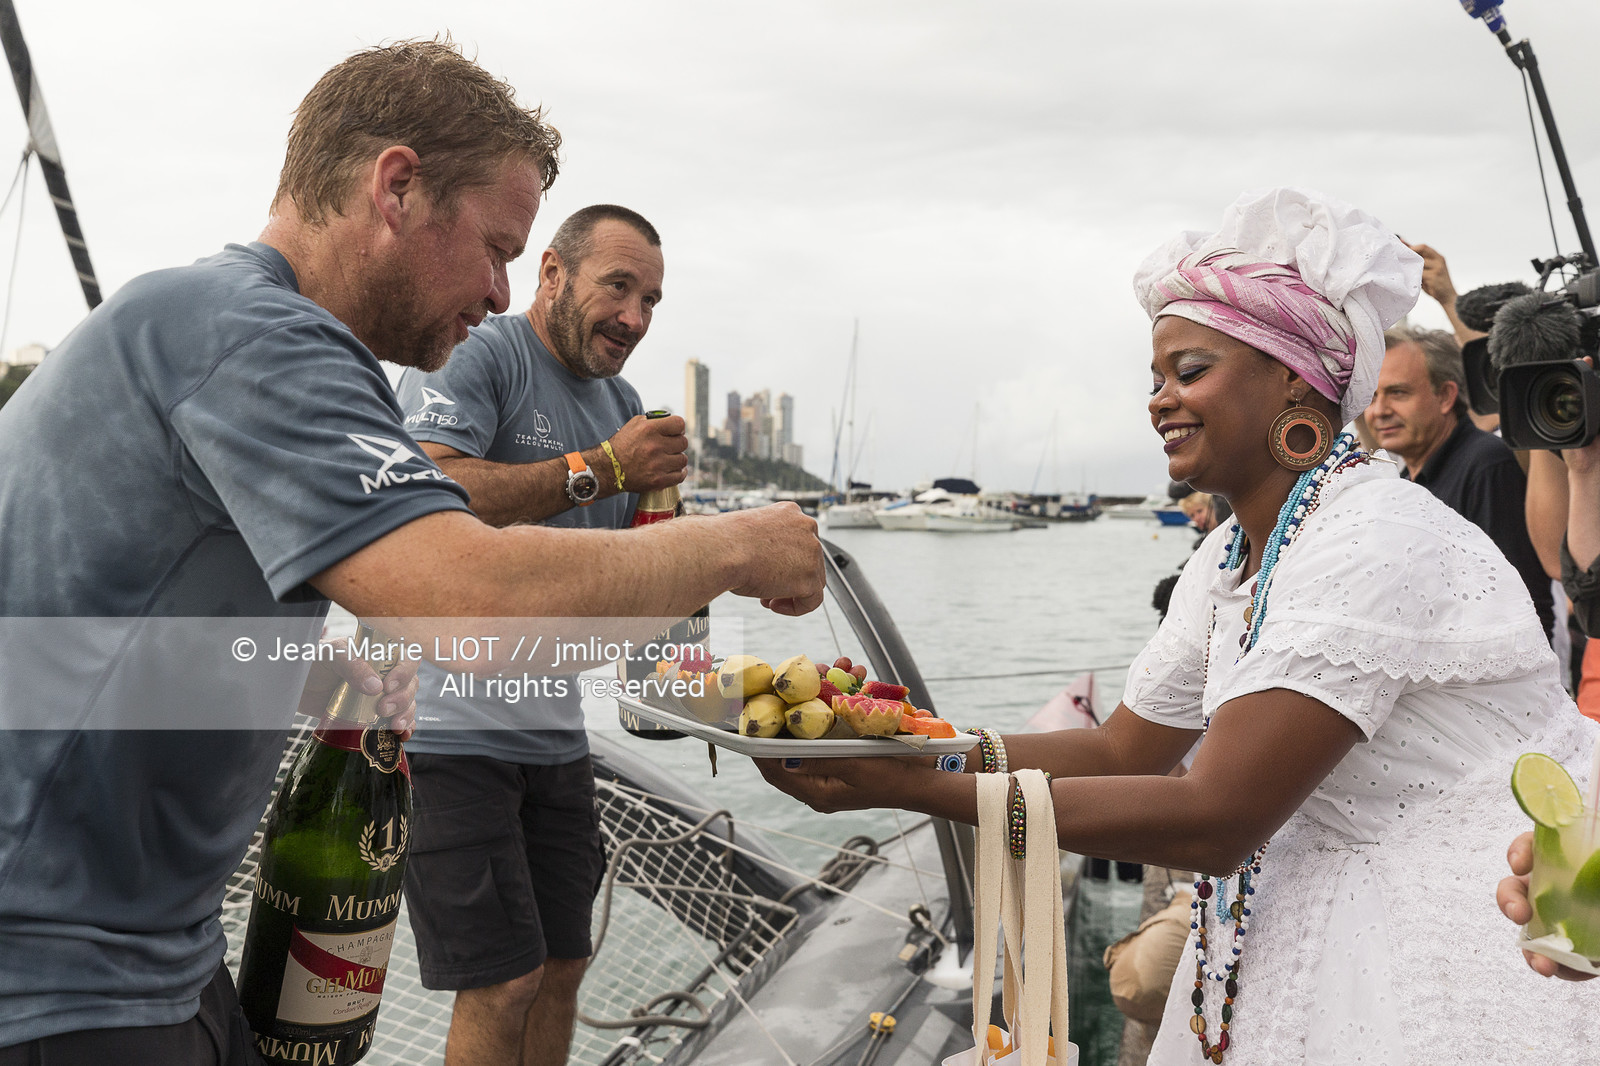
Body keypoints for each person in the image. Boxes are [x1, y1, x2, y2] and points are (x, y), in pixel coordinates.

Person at [0, 41, 823, 1065]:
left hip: (155, 949)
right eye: (494, 247)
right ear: (397, 188)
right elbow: (462, 605)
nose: (497, 289)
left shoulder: (231, 328)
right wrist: (738, 545)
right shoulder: (248, 331)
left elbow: (128, 622)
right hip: (53, 973)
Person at [758, 187, 1596, 1063]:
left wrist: (912, 789)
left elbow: (1217, 817)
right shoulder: (1232, 554)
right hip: (1321, 895)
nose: (1159, 401)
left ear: (1293, 380)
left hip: (1491, 919)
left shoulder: (1374, 538)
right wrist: (909, 746)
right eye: (1155, 379)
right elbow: (1124, 751)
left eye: (1189, 371)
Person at [392, 204, 681, 1066]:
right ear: (551, 272)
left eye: (653, 300)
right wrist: (609, 468)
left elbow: (639, 572)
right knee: (502, 981)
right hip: (445, 736)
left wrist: (695, 551)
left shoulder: (625, 405)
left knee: (562, 966)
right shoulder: (481, 354)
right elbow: (428, 493)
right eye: (618, 287)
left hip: (555, 737)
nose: (635, 317)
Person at [1364, 324, 1555, 640]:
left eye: (1398, 393)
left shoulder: (1487, 465)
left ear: (1445, 396)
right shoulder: (1403, 482)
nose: (1379, 411)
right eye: (1372, 396)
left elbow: (1523, 606)